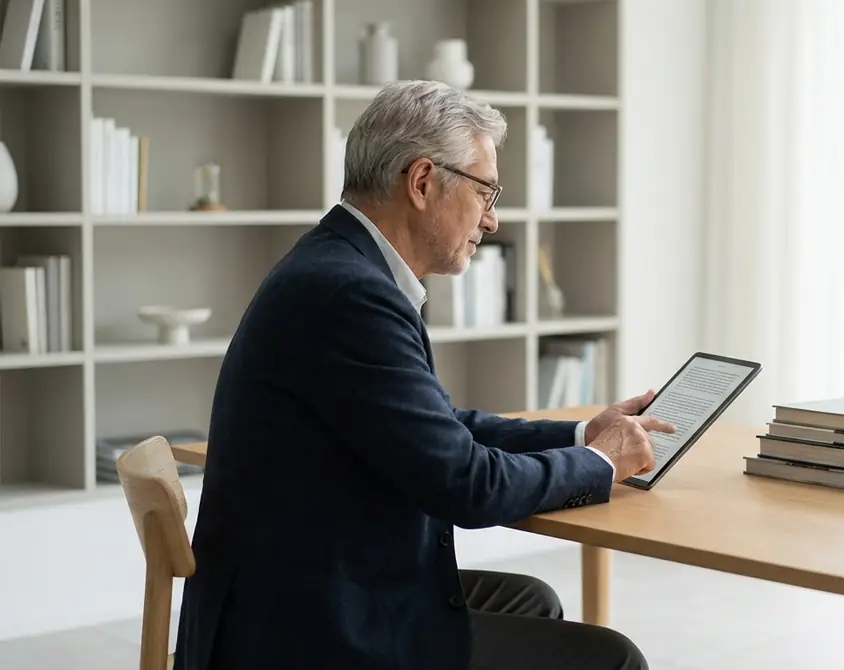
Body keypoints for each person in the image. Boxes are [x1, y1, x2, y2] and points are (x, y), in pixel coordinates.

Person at [172, 79, 675, 670]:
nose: (492, 221)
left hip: (308, 584)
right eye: (487, 192)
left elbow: (440, 427)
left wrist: (579, 437)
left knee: (533, 599)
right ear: (421, 182)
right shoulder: (349, 294)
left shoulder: (339, 267)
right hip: (304, 632)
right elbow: (466, 485)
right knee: (613, 659)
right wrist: (602, 464)